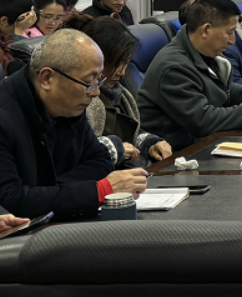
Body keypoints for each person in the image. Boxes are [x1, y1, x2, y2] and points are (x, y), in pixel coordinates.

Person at [0, 29, 149, 218]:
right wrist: (97, 191)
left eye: (98, 80)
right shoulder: (5, 117)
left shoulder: (68, 105)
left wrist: (48, 192)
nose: (95, 93)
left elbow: (101, 160)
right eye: (88, 82)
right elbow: (11, 201)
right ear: (47, 78)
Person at [138, 0, 242, 151]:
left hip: (205, 144)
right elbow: (203, 121)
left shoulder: (204, 53)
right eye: (229, 32)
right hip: (177, 155)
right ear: (206, 30)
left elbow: (226, 92)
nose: (232, 41)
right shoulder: (173, 67)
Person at [70, 13, 173, 167]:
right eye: (117, 64)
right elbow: (79, 151)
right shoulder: (81, 99)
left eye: (126, 64)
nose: (122, 72)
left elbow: (132, 135)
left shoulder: (121, 95)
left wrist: (150, 143)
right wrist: (117, 149)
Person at [0, 0, 37, 75]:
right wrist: (19, 32)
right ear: (3, 21)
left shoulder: (5, 35)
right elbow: (12, 68)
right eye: (22, 21)